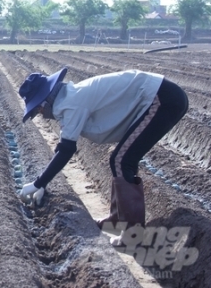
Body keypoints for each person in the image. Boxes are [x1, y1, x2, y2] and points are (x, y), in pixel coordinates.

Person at [17, 67, 188, 245]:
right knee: (120, 159)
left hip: (163, 99)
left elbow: (66, 149)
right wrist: (42, 183)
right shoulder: (69, 97)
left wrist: (38, 183)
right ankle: (116, 219)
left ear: (45, 103)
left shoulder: (71, 103)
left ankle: (133, 235)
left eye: (38, 111)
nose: (42, 116)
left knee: (122, 160)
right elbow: (63, 146)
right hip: (162, 96)